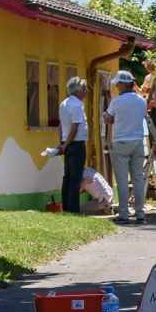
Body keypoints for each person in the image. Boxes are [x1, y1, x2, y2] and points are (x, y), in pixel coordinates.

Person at [104, 69, 151, 224]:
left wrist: (106, 116)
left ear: (123, 84)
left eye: (118, 84)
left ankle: (124, 214)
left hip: (120, 141)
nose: (117, 87)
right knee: (138, 178)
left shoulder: (117, 101)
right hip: (138, 142)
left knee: (122, 179)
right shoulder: (141, 101)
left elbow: (108, 118)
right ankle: (140, 213)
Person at [57, 75, 90, 214]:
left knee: (68, 176)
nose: (86, 90)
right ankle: (73, 209)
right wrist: (64, 146)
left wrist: (62, 143)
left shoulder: (64, 103)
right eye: (84, 88)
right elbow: (74, 129)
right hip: (75, 144)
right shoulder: (77, 106)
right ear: (77, 91)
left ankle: (66, 207)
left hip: (67, 143)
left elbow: (60, 126)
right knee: (75, 178)